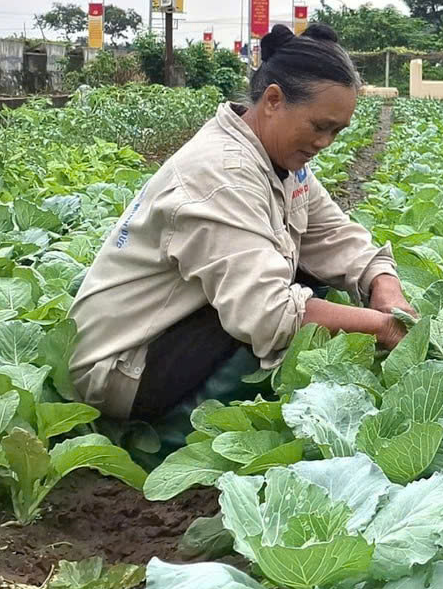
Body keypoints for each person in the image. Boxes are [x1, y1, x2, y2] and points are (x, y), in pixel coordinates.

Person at [70, 23, 413, 421]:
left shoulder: (280, 160)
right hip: (124, 368)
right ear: (272, 100)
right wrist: (384, 329)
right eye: (320, 126)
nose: (325, 143)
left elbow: (333, 236)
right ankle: (177, 433)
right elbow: (269, 314)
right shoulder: (222, 172)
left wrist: (385, 287)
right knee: (286, 302)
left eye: (337, 131)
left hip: (172, 334)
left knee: (310, 281)